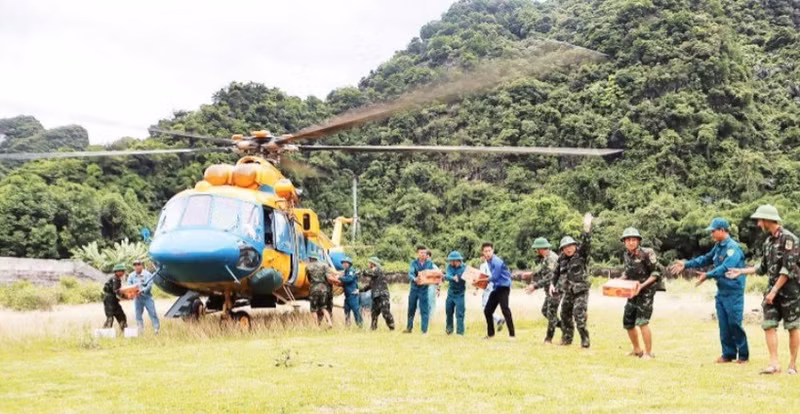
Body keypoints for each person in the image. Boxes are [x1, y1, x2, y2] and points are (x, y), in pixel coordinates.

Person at [727, 205, 799, 374]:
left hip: (790, 291)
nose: (759, 224)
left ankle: (793, 364)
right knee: (768, 324)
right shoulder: (768, 242)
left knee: (793, 326)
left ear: (767, 220)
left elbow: (787, 269)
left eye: (760, 220)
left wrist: (774, 291)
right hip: (772, 291)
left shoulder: (790, 240)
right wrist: (741, 271)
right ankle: (774, 364)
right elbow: (762, 268)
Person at [669, 217, 748, 364]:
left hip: (734, 291)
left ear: (723, 230)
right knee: (723, 324)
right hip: (722, 291)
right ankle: (728, 354)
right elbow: (705, 259)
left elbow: (725, 267)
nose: (711, 234)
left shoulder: (733, 248)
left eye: (713, 231)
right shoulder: (718, 246)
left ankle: (743, 356)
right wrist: (686, 265)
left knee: (734, 323)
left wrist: (708, 275)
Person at [619, 228, 663, 359]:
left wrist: (642, 286)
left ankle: (648, 353)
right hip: (632, 292)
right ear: (624, 242)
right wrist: (618, 281)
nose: (631, 242)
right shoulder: (626, 255)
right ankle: (637, 349)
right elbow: (627, 273)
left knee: (642, 321)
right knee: (628, 321)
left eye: (633, 240)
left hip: (646, 291)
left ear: (638, 241)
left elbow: (656, 273)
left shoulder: (647, 253)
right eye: (628, 240)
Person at [551, 213, 594, 348]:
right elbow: (556, 272)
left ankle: (585, 340)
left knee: (578, 314)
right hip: (567, 291)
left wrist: (586, 228)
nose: (568, 249)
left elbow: (586, 243)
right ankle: (567, 339)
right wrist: (552, 284)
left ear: (575, 246)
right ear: (562, 249)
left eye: (571, 246)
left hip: (580, 290)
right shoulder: (561, 259)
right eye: (565, 247)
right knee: (564, 314)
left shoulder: (581, 255)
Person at [524, 237, 560, 343]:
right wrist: (531, 274)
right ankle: (565, 326)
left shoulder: (552, 259)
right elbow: (540, 270)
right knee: (545, 311)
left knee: (551, 313)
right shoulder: (545, 258)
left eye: (537, 249)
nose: (536, 251)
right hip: (549, 290)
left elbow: (550, 277)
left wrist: (534, 286)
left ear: (541, 249)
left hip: (555, 289)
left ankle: (548, 339)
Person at [482, 242, 515, 338]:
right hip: (496, 287)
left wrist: (480, 280)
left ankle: (512, 335)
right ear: (483, 253)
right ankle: (490, 334)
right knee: (487, 310)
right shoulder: (488, 261)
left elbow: (495, 277)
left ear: (493, 251)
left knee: (505, 310)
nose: (487, 253)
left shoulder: (497, 262)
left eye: (489, 251)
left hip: (504, 287)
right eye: (485, 251)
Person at [404, 246, 435, 334]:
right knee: (411, 308)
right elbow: (410, 273)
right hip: (414, 288)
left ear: (426, 254)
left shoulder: (429, 263)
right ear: (418, 254)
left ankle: (424, 330)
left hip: (424, 289)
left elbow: (432, 274)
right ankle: (409, 328)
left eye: (424, 253)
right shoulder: (413, 263)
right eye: (421, 253)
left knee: (424, 310)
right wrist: (414, 279)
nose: (423, 255)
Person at [360, 257, 395, 330]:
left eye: (369, 263)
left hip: (382, 295)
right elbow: (370, 285)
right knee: (374, 313)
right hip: (376, 296)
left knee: (385, 312)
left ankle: (392, 327)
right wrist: (360, 290)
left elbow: (369, 273)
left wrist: (362, 272)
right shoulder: (374, 274)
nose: (368, 264)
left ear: (373, 264)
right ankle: (373, 328)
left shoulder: (378, 270)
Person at [126, 259, 159, 334]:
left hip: (147, 297)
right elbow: (129, 285)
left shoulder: (147, 274)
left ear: (142, 265)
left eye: (138, 265)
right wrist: (131, 293)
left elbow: (149, 285)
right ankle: (140, 330)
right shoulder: (131, 276)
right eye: (135, 265)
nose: (137, 267)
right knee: (138, 315)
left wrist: (142, 290)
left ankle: (156, 329)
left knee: (152, 313)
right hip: (137, 299)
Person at [307, 253, 334, 328]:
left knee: (313, 309)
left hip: (314, 289)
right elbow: (328, 277)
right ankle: (329, 322)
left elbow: (309, 278)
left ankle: (316, 327)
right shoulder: (324, 265)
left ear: (311, 258)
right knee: (324, 307)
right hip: (323, 289)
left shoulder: (308, 267)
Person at [444, 251, 467, 335]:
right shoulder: (449, 267)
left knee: (460, 313)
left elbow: (469, 277)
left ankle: (460, 332)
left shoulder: (465, 268)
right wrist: (453, 278)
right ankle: (449, 329)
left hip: (460, 294)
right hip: (451, 293)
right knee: (448, 311)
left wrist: (460, 277)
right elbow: (447, 276)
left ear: (456, 260)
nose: (450, 262)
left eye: (451, 261)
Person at [480, 257, 504, 332]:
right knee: (489, 306)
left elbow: (482, 277)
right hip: (494, 285)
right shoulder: (494, 264)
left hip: (487, 286)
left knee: (485, 306)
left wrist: (476, 288)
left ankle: (498, 319)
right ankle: (494, 322)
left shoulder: (483, 265)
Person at [338, 256, 363, 327]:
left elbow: (349, 279)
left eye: (346, 263)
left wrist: (339, 277)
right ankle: (347, 326)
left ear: (349, 264)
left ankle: (360, 326)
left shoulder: (351, 270)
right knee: (346, 311)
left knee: (356, 311)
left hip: (353, 295)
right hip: (347, 296)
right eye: (343, 263)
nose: (344, 264)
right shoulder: (346, 271)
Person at [103, 264, 128, 330]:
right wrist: (125, 296)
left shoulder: (116, 278)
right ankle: (105, 333)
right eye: (122, 271)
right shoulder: (115, 279)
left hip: (114, 301)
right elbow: (116, 291)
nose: (123, 273)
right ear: (117, 272)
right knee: (110, 318)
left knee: (121, 316)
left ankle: (125, 331)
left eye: (123, 271)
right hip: (109, 300)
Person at [426, 250, 441, 328]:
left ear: (430, 257)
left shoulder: (433, 266)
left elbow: (439, 277)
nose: (426, 258)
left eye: (428, 256)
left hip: (432, 286)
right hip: (424, 287)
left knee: (431, 303)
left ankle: (431, 320)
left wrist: (438, 289)